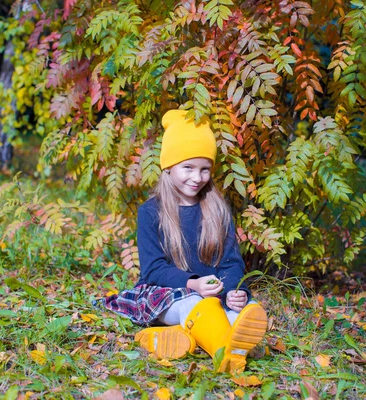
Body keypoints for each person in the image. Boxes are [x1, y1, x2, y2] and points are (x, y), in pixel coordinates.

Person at [101, 109, 267, 375]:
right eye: (187, 167)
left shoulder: (218, 210)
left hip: (214, 295)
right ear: (168, 166)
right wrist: (193, 284)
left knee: (247, 309)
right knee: (194, 305)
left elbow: (232, 262)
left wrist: (237, 291)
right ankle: (226, 355)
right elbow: (153, 270)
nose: (197, 177)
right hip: (171, 295)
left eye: (205, 169)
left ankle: (187, 338)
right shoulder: (151, 212)